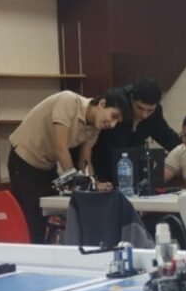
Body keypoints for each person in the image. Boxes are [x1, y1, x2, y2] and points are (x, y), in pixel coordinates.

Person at [8, 88, 130, 243]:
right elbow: (60, 148)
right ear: (102, 103)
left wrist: (93, 183)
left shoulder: (95, 127)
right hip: (24, 161)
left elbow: (85, 160)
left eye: (116, 122)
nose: (112, 125)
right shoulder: (69, 101)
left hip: (47, 166)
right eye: (113, 116)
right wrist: (78, 182)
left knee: (51, 222)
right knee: (33, 225)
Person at [90, 77, 181, 186]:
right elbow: (97, 145)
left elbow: (168, 138)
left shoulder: (155, 113)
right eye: (140, 108)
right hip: (100, 165)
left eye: (150, 110)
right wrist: (98, 181)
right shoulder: (116, 102)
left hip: (130, 174)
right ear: (132, 98)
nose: (144, 115)